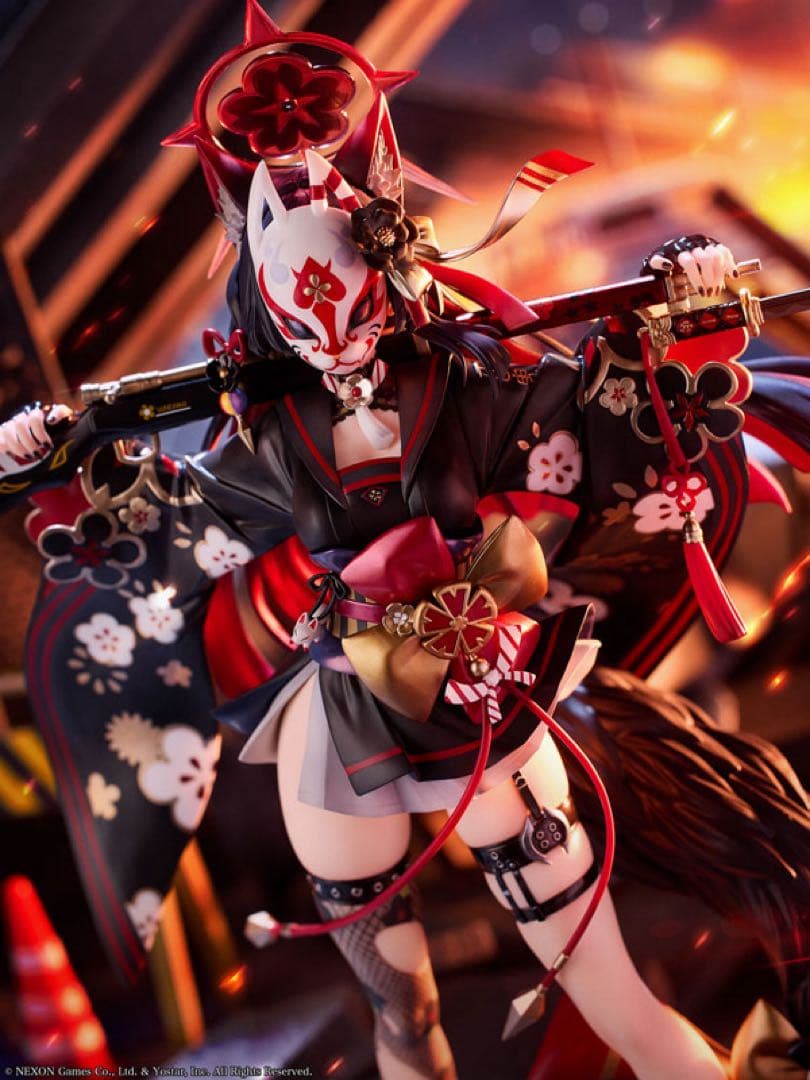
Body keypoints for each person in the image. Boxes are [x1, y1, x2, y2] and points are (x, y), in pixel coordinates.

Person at [2, 7, 808, 1078]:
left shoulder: (468, 384)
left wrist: (687, 312)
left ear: (390, 274)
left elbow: (598, 425)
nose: (337, 349)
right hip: (345, 711)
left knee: (610, 986)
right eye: (306, 328)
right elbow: (178, 519)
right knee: (403, 1018)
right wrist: (48, 460)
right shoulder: (273, 436)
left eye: (355, 315)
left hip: (484, 686)